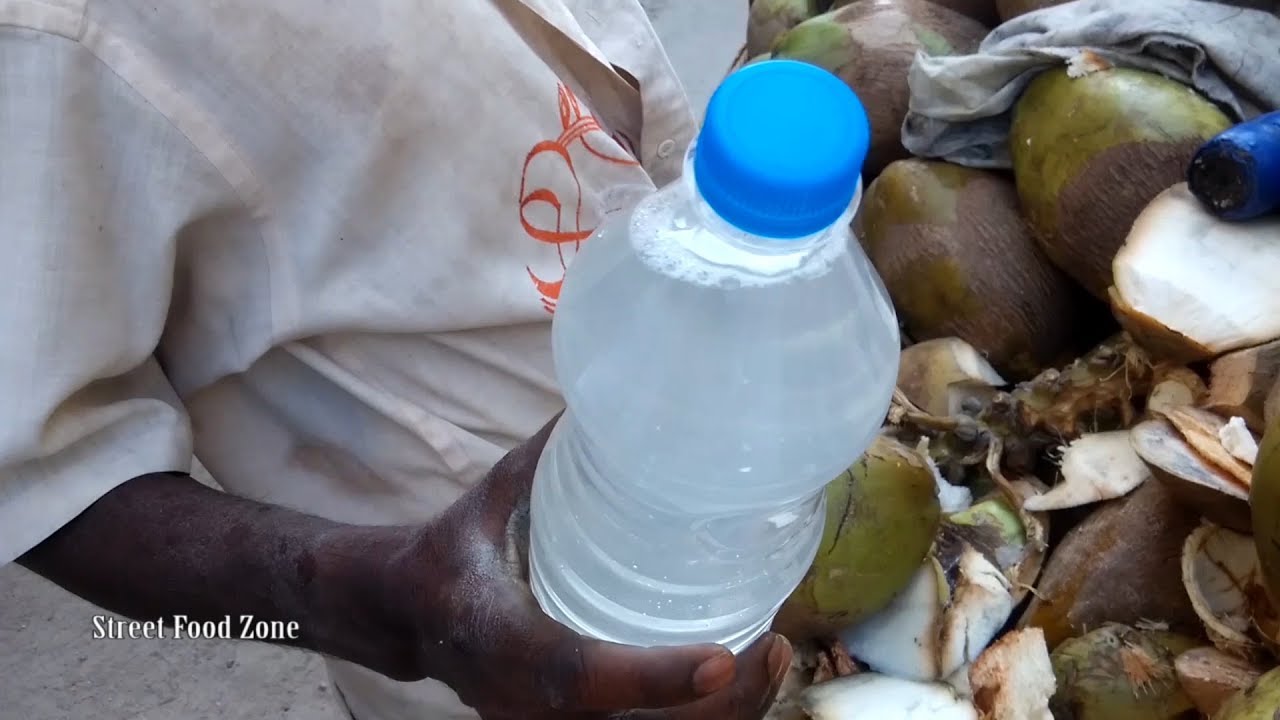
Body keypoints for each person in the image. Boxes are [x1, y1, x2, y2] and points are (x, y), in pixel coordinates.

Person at [0, 0, 792, 718]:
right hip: (517, 654)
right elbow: (40, 477)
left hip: (709, 495)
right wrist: (401, 610)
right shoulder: (44, 33)